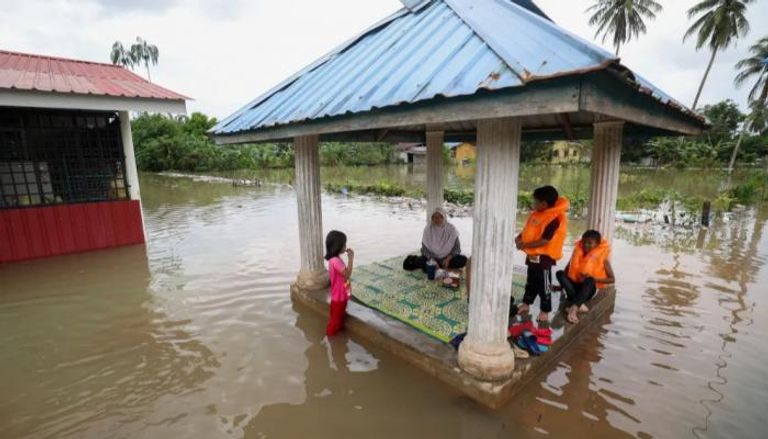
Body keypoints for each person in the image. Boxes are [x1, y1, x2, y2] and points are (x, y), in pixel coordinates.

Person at [516, 186, 569, 322]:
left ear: (544, 204)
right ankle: (526, 303)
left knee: (544, 284)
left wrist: (524, 245)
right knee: (531, 280)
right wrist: (520, 237)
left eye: (535, 202)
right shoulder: (537, 214)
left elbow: (545, 240)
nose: (533, 204)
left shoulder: (554, 219)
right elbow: (529, 230)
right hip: (532, 255)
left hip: (544, 257)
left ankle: (545, 311)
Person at [556, 230, 615, 324]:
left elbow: (612, 279)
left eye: (589, 243)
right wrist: (561, 286)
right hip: (573, 287)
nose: (586, 245)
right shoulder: (577, 252)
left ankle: (573, 309)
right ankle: (580, 305)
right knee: (559, 273)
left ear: (597, 244)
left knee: (590, 280)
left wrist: (594, 278)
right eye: (584, 242)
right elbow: (567, 269)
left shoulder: (603, 258)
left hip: (587, 289)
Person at [325, 230, 354, 336]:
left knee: (338, 318)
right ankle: (330, 339)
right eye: (344, 243)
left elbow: (341, 278)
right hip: (339, 298)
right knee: (335, 321)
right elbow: (347, 275)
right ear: (338, 245)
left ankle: (339, 340)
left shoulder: (335, 259)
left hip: (338, 296)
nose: (345, 245)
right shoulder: (336, 261)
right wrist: (351, 259)